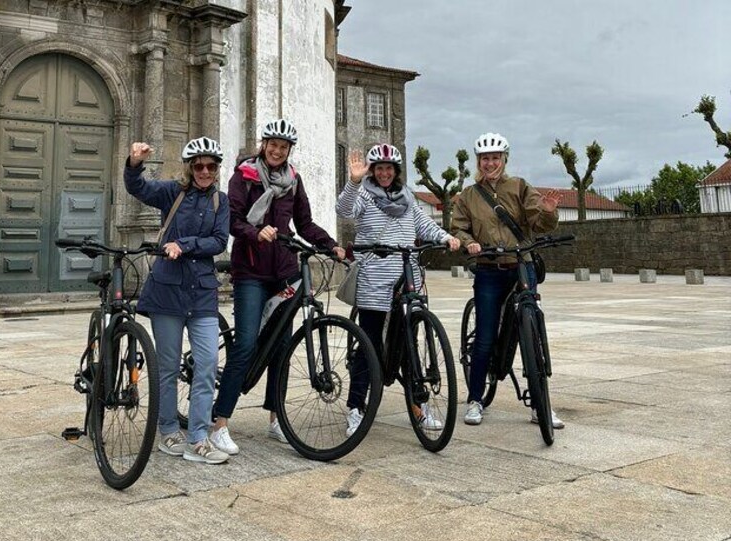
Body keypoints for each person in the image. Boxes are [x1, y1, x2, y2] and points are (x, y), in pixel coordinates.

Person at [209, 119, 345, 455]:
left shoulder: (293, 181)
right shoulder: (244, 175)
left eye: (283, 147)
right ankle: (219, 423)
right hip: (252, 271)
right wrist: (256, 232)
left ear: (288, 151)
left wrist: (332, 246)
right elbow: (232, 219)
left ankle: (276, 419)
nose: (277, 150)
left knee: (281, 349)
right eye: (273, 144)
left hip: (283, 271)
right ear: (264, 144)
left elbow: (305, 223)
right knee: (245, 345)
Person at [336, 143, 461, 437]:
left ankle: (417, 407)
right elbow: (344, 211)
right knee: (368, 344)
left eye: (388, 168)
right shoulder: (364, 195)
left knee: (409, 345)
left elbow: (424, 225)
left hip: (406, 278)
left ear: (396, 171)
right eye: (378, 168)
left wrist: (446, 238)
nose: (383, 173)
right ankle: (356, 407)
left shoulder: (407, 197)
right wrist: (353, 181)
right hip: (374, 279)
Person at [125, 137, 231, 464]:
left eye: (210, 166)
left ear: (216, 170)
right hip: (168, 290)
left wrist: (182, 244)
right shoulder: (173, 192)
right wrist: (134, 163)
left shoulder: (220, 201)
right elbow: (138, 188)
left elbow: (218, 241)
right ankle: (168, 429)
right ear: (189, 167)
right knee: (168, 367)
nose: (204, 171)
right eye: (198, 165)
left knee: (207, 365)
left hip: (201, 292)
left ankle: (198, 437)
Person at [450, 132, 564, 427]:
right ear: (479, 161)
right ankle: (475, 399)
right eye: (485, 158)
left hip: (521, 264)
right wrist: (468, 242)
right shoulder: (469, 196)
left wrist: (549, 213)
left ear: (504, 159)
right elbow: (458, 228)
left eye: (495, 158)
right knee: (486, 336)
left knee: (532, 330)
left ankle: (540, 404)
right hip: (488, 268)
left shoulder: (519, 187)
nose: (490, 163)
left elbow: (538, 223)